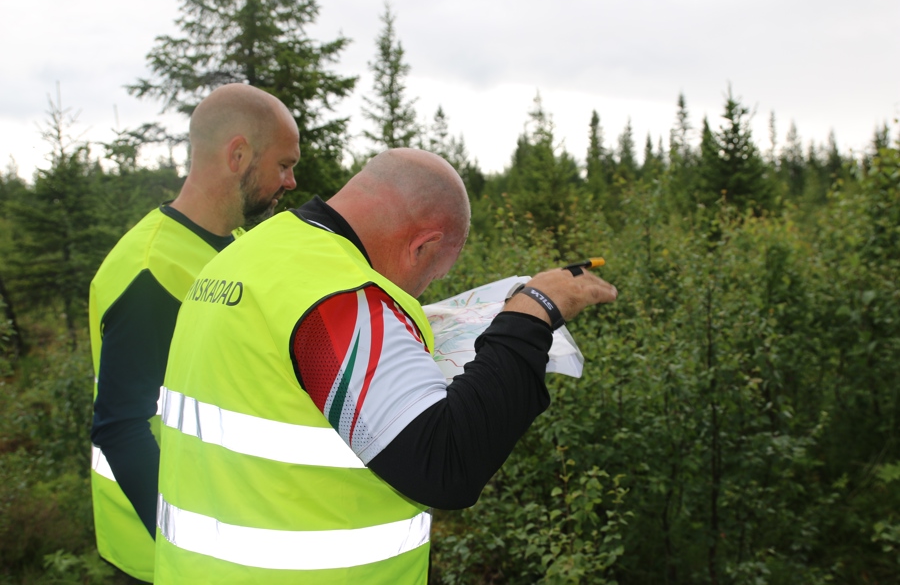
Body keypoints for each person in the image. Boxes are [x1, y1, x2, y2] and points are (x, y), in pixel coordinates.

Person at [154, 148, 618, 584]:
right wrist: (531, 312)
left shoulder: (251, 252)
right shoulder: (339, 295)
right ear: (423, 246)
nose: (419, 291)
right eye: (434, 272)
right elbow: (445, 462)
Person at [88, 83, 300, 582]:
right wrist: (198, 548)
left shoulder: (237, 246)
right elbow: (120, 428)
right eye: (284, 165)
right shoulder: (152, 269)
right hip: (168, 560)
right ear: (239, 155)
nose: (290, 181)